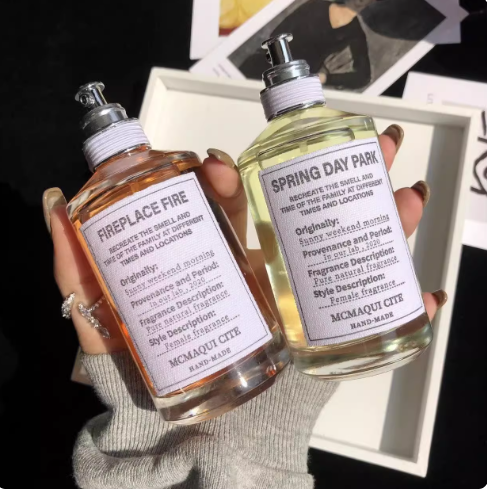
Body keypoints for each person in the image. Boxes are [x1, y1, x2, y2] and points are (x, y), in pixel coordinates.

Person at [42, 125, 447, 488]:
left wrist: (140, 447)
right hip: (195, 384)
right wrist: (267, 459)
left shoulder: (141, 181)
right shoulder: (121, 190)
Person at [238, 0, 379, 90]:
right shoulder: (316, 5)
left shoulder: (355, 33)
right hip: (267, 65)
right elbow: (279, 33)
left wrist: (324, 78)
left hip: (294, 83)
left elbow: (363, 77)